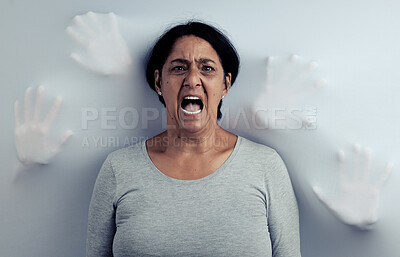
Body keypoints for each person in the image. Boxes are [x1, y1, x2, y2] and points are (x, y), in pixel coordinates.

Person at [86, 21, 301, 257]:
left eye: (207, 68)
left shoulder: (265, 166)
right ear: (158, 82)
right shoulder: (118, 169)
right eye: (179, 68)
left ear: (225, 84)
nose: (192, 80)